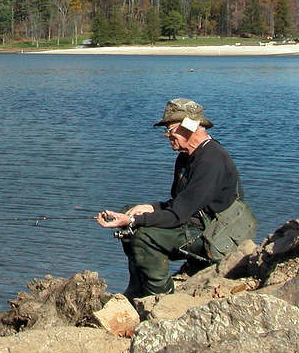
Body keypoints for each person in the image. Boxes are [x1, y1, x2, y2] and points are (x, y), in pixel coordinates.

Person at [95, 98, 246, 298]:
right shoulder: (185, 156)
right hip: (193, 221)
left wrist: (134, 221)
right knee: (128, 210)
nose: (167, 135)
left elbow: (178, 215)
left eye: (170, 129)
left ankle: (158, 297)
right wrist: (149, 208)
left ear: (188, 127)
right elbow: (181, 203)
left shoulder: (211, 160)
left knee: (142, 234)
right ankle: (137, 285)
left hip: (213, 235)